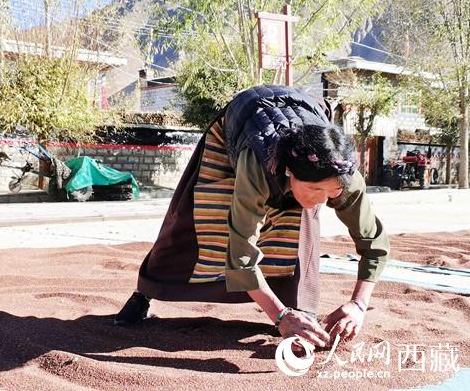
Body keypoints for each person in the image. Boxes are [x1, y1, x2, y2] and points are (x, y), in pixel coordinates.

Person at [114, 85, 389, 350]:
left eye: (331, 192)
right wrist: (279, 317)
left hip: (303, 125)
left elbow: (374, 244)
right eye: (315, 189)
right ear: (289, 172)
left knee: (302, 224)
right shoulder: (257, 164)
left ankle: (301, 310)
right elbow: (241, 254)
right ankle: (145, 292)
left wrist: (359, 304)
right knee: (201, 215)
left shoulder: (344, 175)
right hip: (243, 121)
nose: (322, 199)